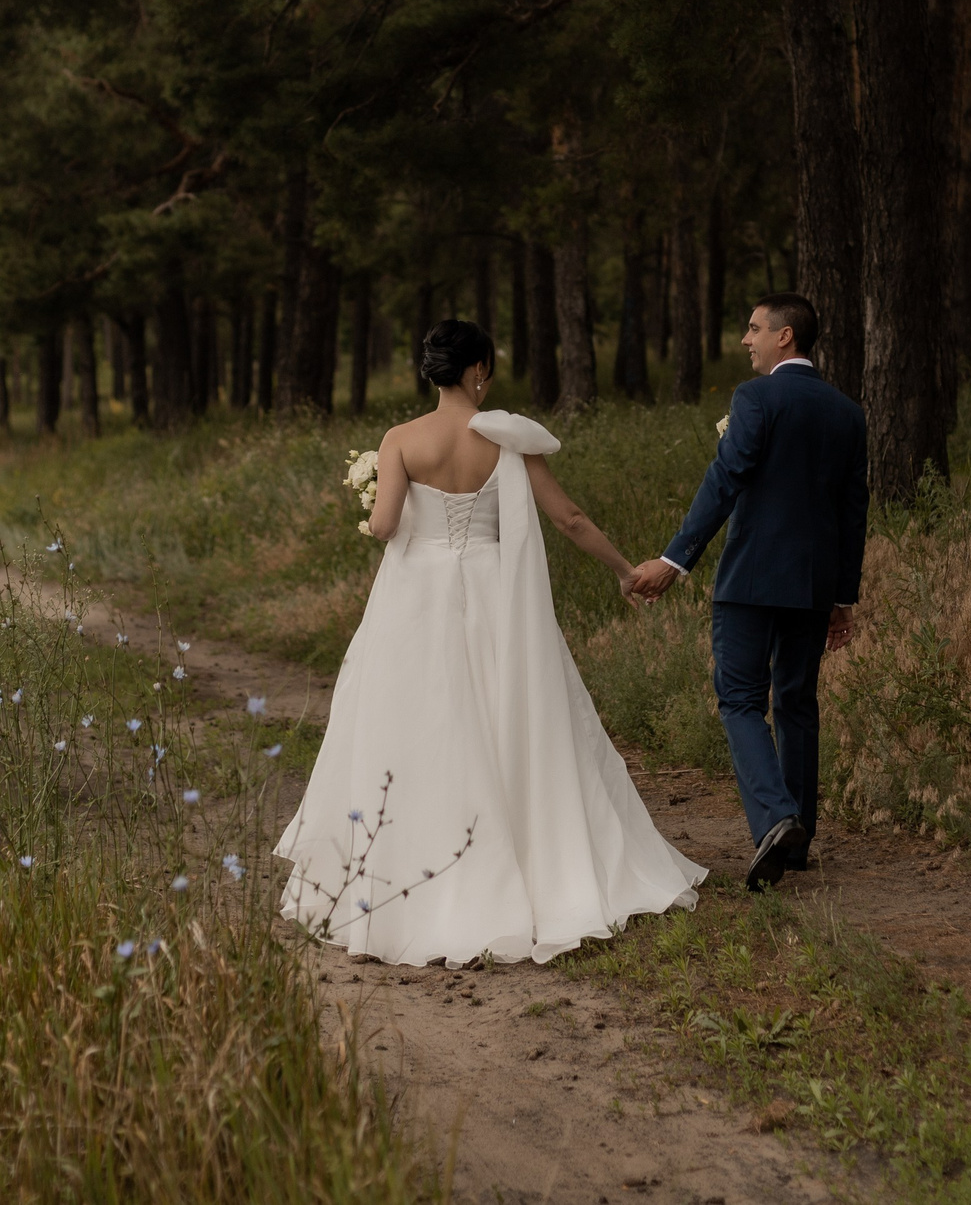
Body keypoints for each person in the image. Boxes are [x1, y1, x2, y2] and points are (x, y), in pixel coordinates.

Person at [274, 318, 706, 964]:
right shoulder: (506, 438)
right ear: (478, 368)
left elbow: (386, 524)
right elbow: (569, 517)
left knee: (413, 732)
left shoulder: (400, 439)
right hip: (493, 596)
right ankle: (530, 863)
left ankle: (405, 887)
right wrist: (625, 571)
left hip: (415, 600)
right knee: (510, 720)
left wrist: (374, 500)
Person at [627, 293, 868, 891]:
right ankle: (799, 838)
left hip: (752, 581)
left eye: (755, 328)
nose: (746, 339)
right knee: (796, 702)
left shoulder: (756, 398)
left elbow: (725, 478)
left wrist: (674, 559)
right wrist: (843, 598)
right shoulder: (847, 411)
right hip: (813, 585)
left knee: (739, 700)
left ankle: (776, 820)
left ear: (786, 337)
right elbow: (852, 510)